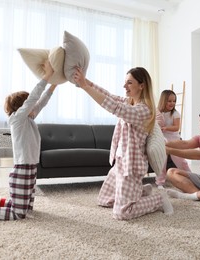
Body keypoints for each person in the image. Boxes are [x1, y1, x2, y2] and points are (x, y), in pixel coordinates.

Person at [0, 61, 58, 226]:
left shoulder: (28, 118)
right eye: (30, 104)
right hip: (22, 170)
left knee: (26, 208)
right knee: (18, 213)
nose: (34, 106)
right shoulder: (17, 119)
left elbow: (41, 101)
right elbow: (35, 97)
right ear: (22, 107)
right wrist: (47, 76)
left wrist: (54, 84)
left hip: (30, 168)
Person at [73, 66, 173, 220]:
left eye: (129, 83)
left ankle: (158, 199)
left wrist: (85, 87)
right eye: (125, 82)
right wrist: (84, 81)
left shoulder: (144, 110)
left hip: (130, 166)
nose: (124, 86)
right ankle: (139, 192)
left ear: (141, 85)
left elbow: (114, 107)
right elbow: (109, 96)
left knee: (122, 213)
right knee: (104, 200)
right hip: (120, 162)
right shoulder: (130, 102)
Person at [155, 90, 191, 188]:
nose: (172, 103)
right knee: (162, 161)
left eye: (174, 101)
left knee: (181, 161)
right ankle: (160, 182)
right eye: (169, 101)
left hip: (174, 139)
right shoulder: (158, 112)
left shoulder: (175, 113)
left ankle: (190, 176)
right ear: (163, 101)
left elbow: (176, 127)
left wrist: (166, 128)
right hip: (163, 139)